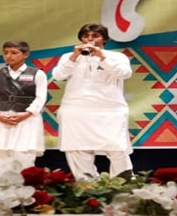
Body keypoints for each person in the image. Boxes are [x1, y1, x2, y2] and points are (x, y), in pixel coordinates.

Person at [52, 23, 134, 180]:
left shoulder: (117, 57)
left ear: (104, 39)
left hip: (110, 110)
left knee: (117, 149)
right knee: (77, 150)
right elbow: (58, 75)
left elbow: (124, 73)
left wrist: (102, 58)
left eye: (95, 36)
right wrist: (74, 57)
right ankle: (87, 188)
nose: (90, 39)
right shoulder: (69, 57)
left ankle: (124, 186)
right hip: (75, 110)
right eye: (86, 36)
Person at [0, 41, 47, 169]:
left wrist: (27, 113)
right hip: (2, 118)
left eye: (14, 53)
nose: (9, 56)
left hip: (27, 119)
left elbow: (40, 98)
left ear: (26, 54)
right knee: (2, 156)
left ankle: (25, 181)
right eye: (5, 53)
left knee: (25, 156)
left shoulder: (37, 74)